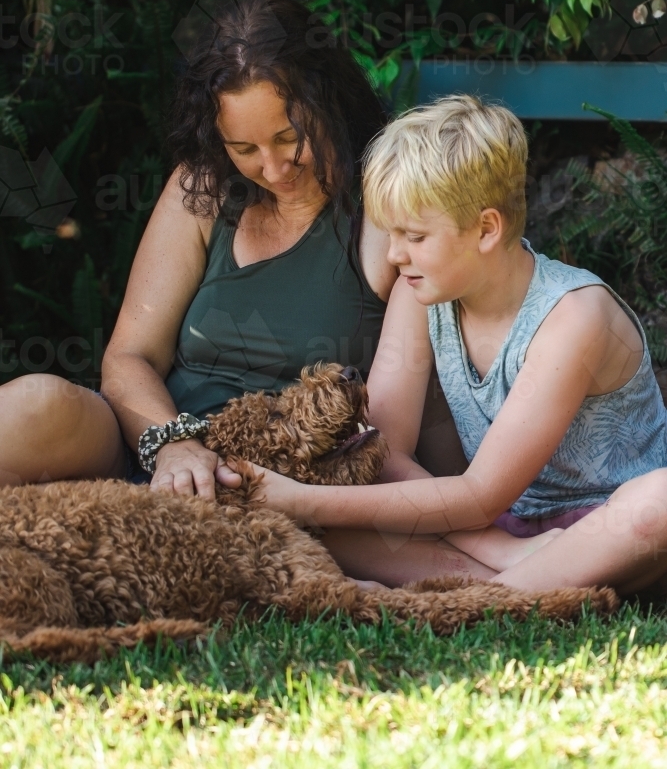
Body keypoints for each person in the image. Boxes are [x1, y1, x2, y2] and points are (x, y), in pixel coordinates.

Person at [217, 95, 667, 595]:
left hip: (604, 531)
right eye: (391, 234)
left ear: (486, 229)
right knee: (341, 524)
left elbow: (480, 495)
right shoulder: (424, 289)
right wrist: (501, 546)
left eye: (413, 236)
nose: (393, 255)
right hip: (502, 531)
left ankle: (473, 600)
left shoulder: (573, 315)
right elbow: (382, 447)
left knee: (660, 503)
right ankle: (517, 584)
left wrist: (303, 500)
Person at [0, 0, 397, 492]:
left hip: (277, 478)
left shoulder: (383, 205)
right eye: (244, 148)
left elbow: (402, 413)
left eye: (288, 137)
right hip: (155, 446)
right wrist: (172, 444)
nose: (273, 169)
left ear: (327, 100)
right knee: (37, 401)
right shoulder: (204, 188)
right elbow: (129, 358)